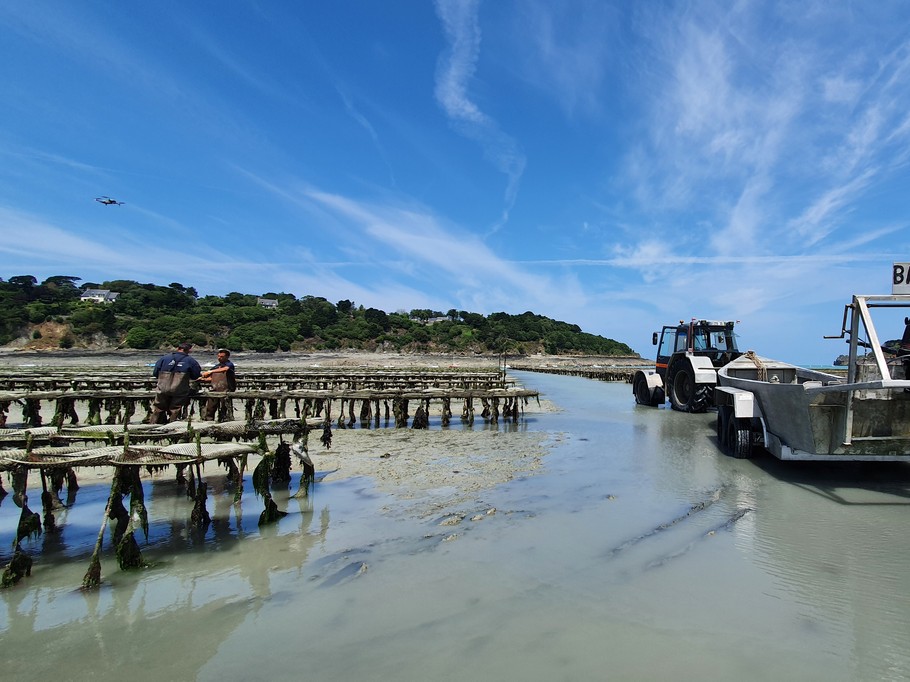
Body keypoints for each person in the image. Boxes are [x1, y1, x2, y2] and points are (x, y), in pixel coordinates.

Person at [151, 342, 202, 423]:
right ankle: (172, 425)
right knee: (175, 409)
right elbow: (196, 375)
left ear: (178, 348)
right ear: (188, 350)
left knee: (159, 408)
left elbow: (155, 373)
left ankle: (154, 425)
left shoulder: (164, 358)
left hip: (163, 388)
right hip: (179, 389)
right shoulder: (191, 361)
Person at [201, 348, 236, 421]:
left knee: (224, 407)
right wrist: (203, 379)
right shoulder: (216, 366)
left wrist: (210, 371)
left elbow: (225, 369)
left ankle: (224, 419)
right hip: (215, 389)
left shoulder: (229, 364)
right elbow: (211, 378)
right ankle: (209, 420)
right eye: (218, 356)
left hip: (227, 389)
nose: (219, 358)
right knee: (210, 407)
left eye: (222, 357)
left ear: (227, 357)